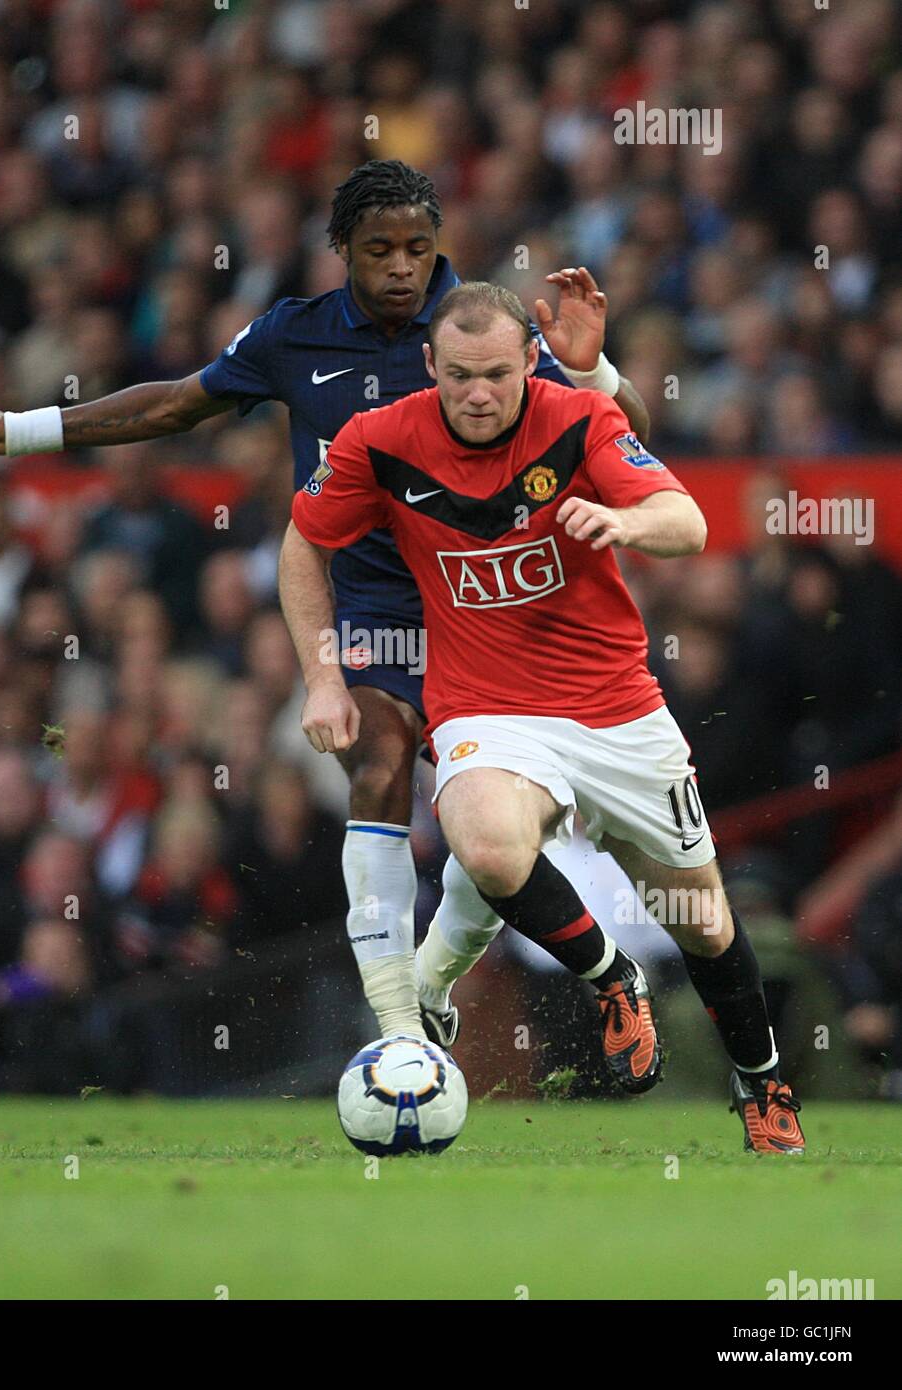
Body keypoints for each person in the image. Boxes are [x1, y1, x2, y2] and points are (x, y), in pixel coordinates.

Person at [0, 159, 650, 1044]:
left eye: (419, 248)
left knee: (485, 836)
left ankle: (431, 983)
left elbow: (628, 433)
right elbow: (178, 405)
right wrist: (22, 429)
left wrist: (597, 369)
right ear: (342, 249)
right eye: (379, 249)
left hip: (481, 609)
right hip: (373, 609)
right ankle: (399, 1031)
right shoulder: (293, 337)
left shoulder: (477, 327)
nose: (401, 268)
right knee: (376, 767)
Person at [280, 280, 805, 1154]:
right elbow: (304, 542)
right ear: (428, 367)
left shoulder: (576, 419)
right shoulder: (380, 439)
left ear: (530, 360)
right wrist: (323, 677)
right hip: (489, 708)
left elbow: (689, 520)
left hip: (617, 708)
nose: (476, 394)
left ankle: (763, 1085)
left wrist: (625, 520)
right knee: (483, 842)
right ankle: (612, 978)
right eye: (457, 376)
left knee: (705, 923)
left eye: (494, 373)